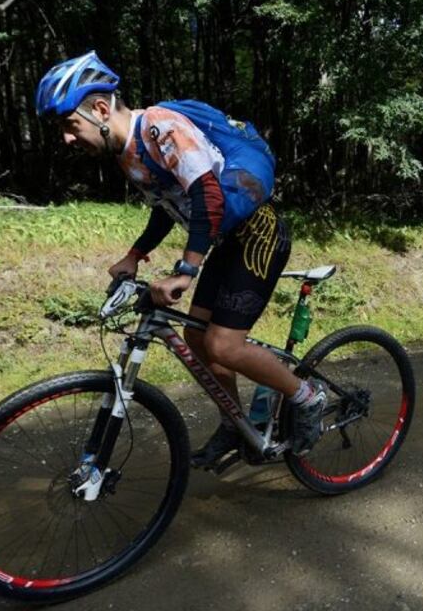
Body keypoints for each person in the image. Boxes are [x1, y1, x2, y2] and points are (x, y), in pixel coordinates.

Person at [35, 50, 325, 463]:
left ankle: (306, 396)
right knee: (195, 336)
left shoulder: (161, 127)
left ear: (101, 108)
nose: (66, 138)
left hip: (258, 233)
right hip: (222, 241)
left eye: (70, 125)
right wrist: (135, 254)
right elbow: (167, 207)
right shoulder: (127, 151)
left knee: (223, 345)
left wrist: (186, 271)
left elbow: (205, 192)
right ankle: (235, 424)